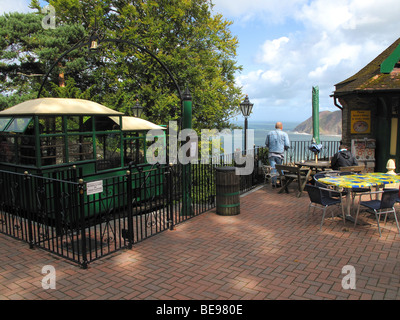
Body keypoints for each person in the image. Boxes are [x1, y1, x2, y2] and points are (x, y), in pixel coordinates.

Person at [265, 122, 290, 187]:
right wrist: (284, 148)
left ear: (275, 127)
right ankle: (282, 182)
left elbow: (266, 143)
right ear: (281, 127)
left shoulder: (269, 133)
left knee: (273, 168)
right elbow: (287, 145)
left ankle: (274, 183)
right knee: (280, 168)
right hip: (280, 155)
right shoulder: (284, 134)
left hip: (271, 154)